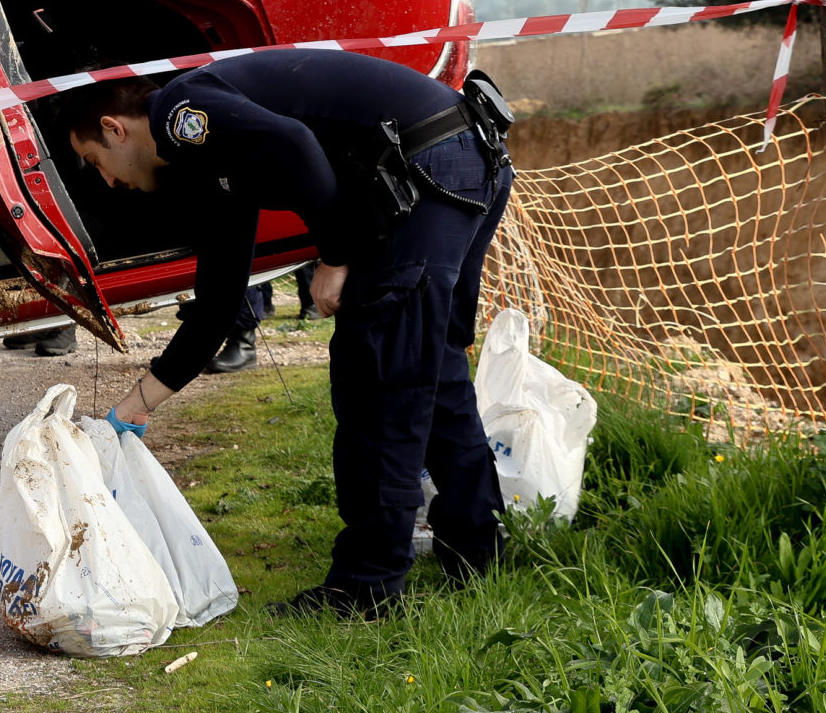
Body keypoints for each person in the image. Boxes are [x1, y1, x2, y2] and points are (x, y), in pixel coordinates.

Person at [63, 52, 515, 619]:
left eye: (95, 161)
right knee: (432, 368)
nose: (107, 180)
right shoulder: (210, 155)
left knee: (379, 378)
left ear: (114, 129)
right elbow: (219, 302)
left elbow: (296, 143)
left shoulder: (179, 111)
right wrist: (134, 407)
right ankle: (477, 555)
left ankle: (367, 589)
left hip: (430, 164)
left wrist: (335, 256)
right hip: (464, 156)